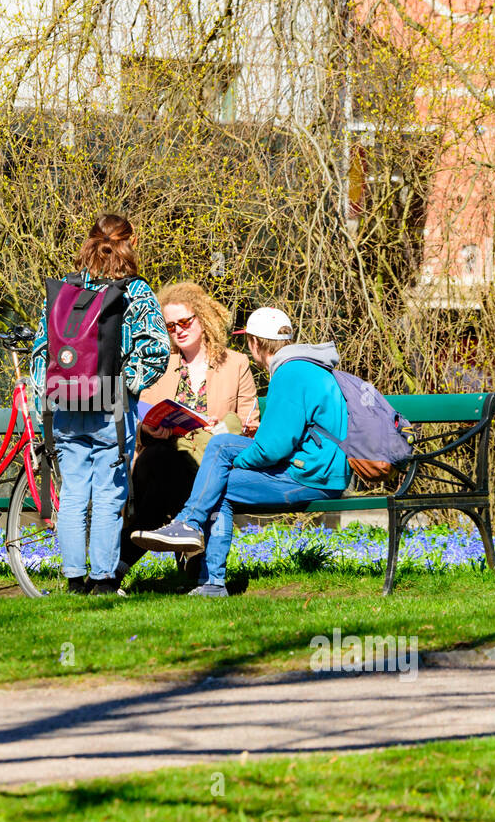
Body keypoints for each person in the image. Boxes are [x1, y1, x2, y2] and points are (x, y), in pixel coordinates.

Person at [130, 307, 352, 596]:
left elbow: (273, 449)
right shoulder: (307, 367)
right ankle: (201, 556)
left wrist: (239, 463)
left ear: (255, 343)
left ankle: (204, 562)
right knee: (221, 465)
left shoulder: (289, 374)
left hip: (310, 477)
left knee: (220, 467)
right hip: (322, 471)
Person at [31, 214, 169, 595]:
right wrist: (128, 385)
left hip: (66, 403)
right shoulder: (135, 292)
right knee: (109, 492)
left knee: (74, 492)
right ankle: (104, 579)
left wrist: (52, 391)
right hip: (112, 404)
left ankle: (75, 580)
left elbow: (42, 351)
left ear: (89, 243)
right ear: (132, 242)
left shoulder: (67, 289)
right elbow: (156, 349)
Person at [119, 281, 260, 578]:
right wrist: (150, 430)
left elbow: (251, 423)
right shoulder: (159, 367)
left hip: (209, 462)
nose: (178, 330)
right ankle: (194, 553)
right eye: (170, 326)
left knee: (170, 485)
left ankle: (118, 567)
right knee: (162, 460)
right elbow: (143, 417)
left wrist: (231, 425)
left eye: (185, 321)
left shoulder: (235, 364)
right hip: (160, 456)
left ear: (203, 318)